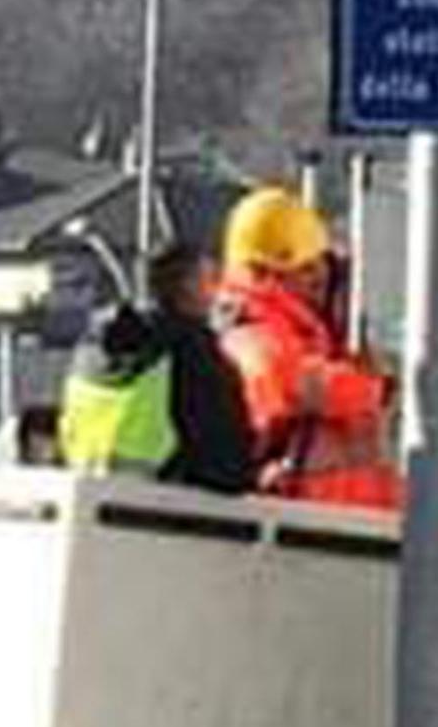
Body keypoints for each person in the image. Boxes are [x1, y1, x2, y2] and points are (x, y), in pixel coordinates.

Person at [214, 186, 400, 514]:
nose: (320, 276)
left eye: (320, 264)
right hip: (305, 529)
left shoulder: (310, 333)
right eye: (305, 268)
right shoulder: (252, 334)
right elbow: (296, 381)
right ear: (264, 273)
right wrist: (379, 387)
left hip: (350, 527)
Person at [58, 244, 256, 495]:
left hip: (90, 494)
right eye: (212, 280)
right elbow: (218, 444)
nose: (218, 292)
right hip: (168, 508)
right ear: (190, 286)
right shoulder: (190, 348)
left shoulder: (95, 344)